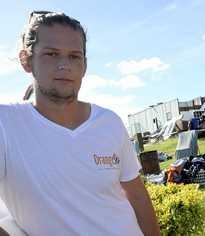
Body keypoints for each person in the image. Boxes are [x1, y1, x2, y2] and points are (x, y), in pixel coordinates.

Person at [0, 11, 160, 236]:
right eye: (51, 54)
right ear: (26, 60)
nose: (64, 65)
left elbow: (137, 195)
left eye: (74, 56)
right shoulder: (7, 124)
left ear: (84, 65)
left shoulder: (109, 122)